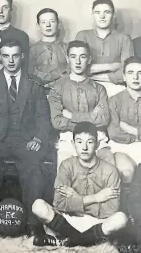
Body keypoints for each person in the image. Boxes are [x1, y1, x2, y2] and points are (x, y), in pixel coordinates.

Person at [0, 39, 51, 236]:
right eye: (6, 56)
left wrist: (37, 139)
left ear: (22, 56)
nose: (10, 61)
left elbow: (43, 118)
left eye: (15, 55)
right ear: (0, 56)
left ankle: (32, 223)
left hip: (25, 141)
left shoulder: (34, 84)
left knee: (34, 165)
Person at [49, 40, 135, 185]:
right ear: (67, 58)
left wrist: (71, 116)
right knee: (63, 176)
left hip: (97, 138)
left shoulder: (99, 88)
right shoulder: (57, 88)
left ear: (89, 59)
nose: (77, 61)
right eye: (73, 56)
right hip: (69, 138)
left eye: (82, 57)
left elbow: (103, 119)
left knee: (109, 173)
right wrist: (90, 117)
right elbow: (57, 121)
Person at [32, 122, 128, 247]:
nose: (84, 147)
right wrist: (95, 198)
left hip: (97, 222)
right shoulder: (66, 166)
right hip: (68, 220)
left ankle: (71, 240)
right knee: (37, 206)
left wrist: (74, 200)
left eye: (90, 142)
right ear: (73, 144)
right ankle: (85, 240)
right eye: (79, 142)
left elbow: (110, 210)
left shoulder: (110, 171)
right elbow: (59, 203)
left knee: (121, 219)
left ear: (97, 144)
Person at [75, 0, 134, 97]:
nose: (102, 16)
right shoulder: (82, 36)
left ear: (113, 15)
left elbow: (127, 72)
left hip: (115, 88)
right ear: (92, 15)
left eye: (107, 12)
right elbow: (76, 67)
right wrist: (110, 66)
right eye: (97, 12)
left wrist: (93, 75)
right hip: (86, 87)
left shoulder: (124, 38)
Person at [29, 8, 68, 91]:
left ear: (58, 24)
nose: (48, 25)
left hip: (63, 92)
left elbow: (71, 72)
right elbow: (30, 73)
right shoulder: (32, 50)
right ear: (38, 26)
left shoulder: (67, 48)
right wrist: (58, 75)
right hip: (38, 93)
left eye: (52, 21)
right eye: (43, 22)